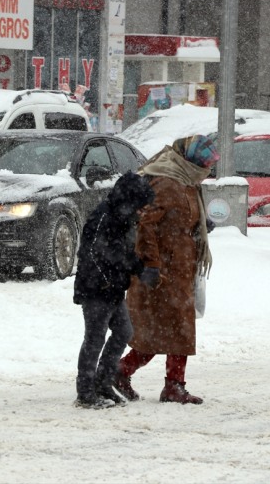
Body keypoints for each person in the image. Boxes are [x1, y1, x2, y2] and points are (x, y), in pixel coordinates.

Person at [114, 134, 220, 405]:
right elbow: (145, 225)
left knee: (173, 332)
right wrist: (150, 265)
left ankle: (170, 385)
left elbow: (178, 217)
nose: (207, 171)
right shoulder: (166, 181)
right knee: (157, 334)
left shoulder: (186, 181)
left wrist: (197, 225)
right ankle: (122, 373)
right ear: (190, 161)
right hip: (161, 274)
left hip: (180, 271)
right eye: (204, 164)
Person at [73, 171, 156, 409]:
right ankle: (86, 391)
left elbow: (122, 254)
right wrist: (106, 279)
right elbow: (93, 253)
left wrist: (140, 269)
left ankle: (103, 381)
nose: (143, 211)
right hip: (96, 288)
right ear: (129, 201)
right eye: (141, 206)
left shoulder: (123, 219)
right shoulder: (104, 217)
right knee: (95, 338)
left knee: (124, 332)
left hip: (114, 287)